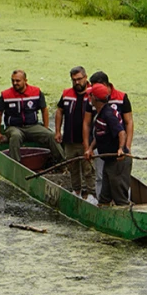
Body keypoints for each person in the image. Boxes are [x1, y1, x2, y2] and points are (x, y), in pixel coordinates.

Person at [0, 69, 64, 164]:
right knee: (15, 136)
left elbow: (44, 110)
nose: (15, 83)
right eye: (13, 80)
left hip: (32, 126)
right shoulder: (5, 95)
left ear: (25, 81)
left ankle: (61, 162)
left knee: (51, 135)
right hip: (14, 127)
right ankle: (16, 164)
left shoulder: (36, 92)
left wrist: (46, 127)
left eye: (18, 81)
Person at [82, 71, 134, 198]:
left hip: (115, 153)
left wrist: (124, 148)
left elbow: (124, 129)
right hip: (104, 150)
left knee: (119, 185)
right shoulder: (99, 111)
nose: (89, 97)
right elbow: (96, 131)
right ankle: (102, 202)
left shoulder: (111, 111)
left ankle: (122, 206)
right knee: (101, 180)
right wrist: (89, 148)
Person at [54, 66, 96, 201]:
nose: (77, 82)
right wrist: (57, 131)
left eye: (79, 79)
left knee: (89, 169)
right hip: (70, 138)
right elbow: (60, 111)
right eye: (74, 80)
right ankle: (76, 191)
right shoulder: (67, 94)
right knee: (73, 167)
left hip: (88, 140)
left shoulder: (93, 94)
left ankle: (91, 193)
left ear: (85, 77)